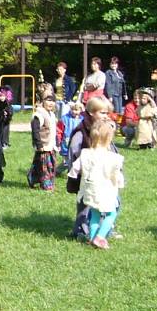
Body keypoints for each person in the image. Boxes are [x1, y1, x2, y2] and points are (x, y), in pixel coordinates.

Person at [67, 121, 125, 249]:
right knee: (111, 214)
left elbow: (75, 167)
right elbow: (116, 174)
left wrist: (73, 175)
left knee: (94, 214)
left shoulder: (86, 153)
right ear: (109, 138)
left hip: (90, 190)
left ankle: (92, 238)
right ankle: (100, 237)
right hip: (106, 191)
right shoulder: (112, 157)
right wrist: (120, 183)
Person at [66, 96, 115, 239]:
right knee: (85, 205)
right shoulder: (82, 131)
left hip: (104, 176)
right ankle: (80, 230)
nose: (106, 116)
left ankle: (104, 230)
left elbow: (110, 149)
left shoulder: (104, 128)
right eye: (103, 113)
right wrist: (80, 172)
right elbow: (74, 153)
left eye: (107, 113)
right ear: (92, 112)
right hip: (87, 176)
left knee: (105, 203)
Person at [27, 95, 58, 191]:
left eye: (53, 101)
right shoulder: (39, 115)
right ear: (43, 102)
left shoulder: (52, 114)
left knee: (48, 165)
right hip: (43, 145)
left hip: (51, 146)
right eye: (48, 100)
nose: (51, 103)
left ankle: (32, 178)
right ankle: (46, 185)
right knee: (45, 166)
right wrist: (39, 144)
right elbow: (35, 131)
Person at [56, 101, 84, 173]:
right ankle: (58, 171)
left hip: (78, 142)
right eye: (72, 109)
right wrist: (58, 141)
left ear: (80, 110)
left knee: (77, 159)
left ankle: (73, 172)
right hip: (66, 142)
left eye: (76, 110)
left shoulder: (82, 120)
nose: (74, 112)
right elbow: (59, 131)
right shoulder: (64, 119)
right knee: (67, 161)